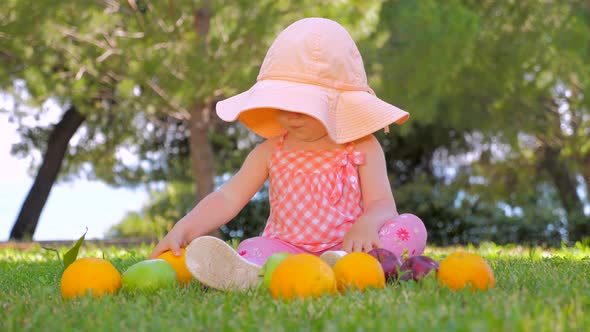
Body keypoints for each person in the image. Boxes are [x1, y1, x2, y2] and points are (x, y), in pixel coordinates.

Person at [149, 17, 427, 290]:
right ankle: (265, 273)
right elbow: (227, 197)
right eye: (284, 102)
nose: (293, 114)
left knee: (410, 227)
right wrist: (185, 228)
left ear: (337, 105)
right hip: (286, 250)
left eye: (305, 105)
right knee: (252, 248)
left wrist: (367, 224)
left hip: (349, 247)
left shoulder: (362, 145)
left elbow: (382, 203)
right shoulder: (271, 151)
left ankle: (346, 268)